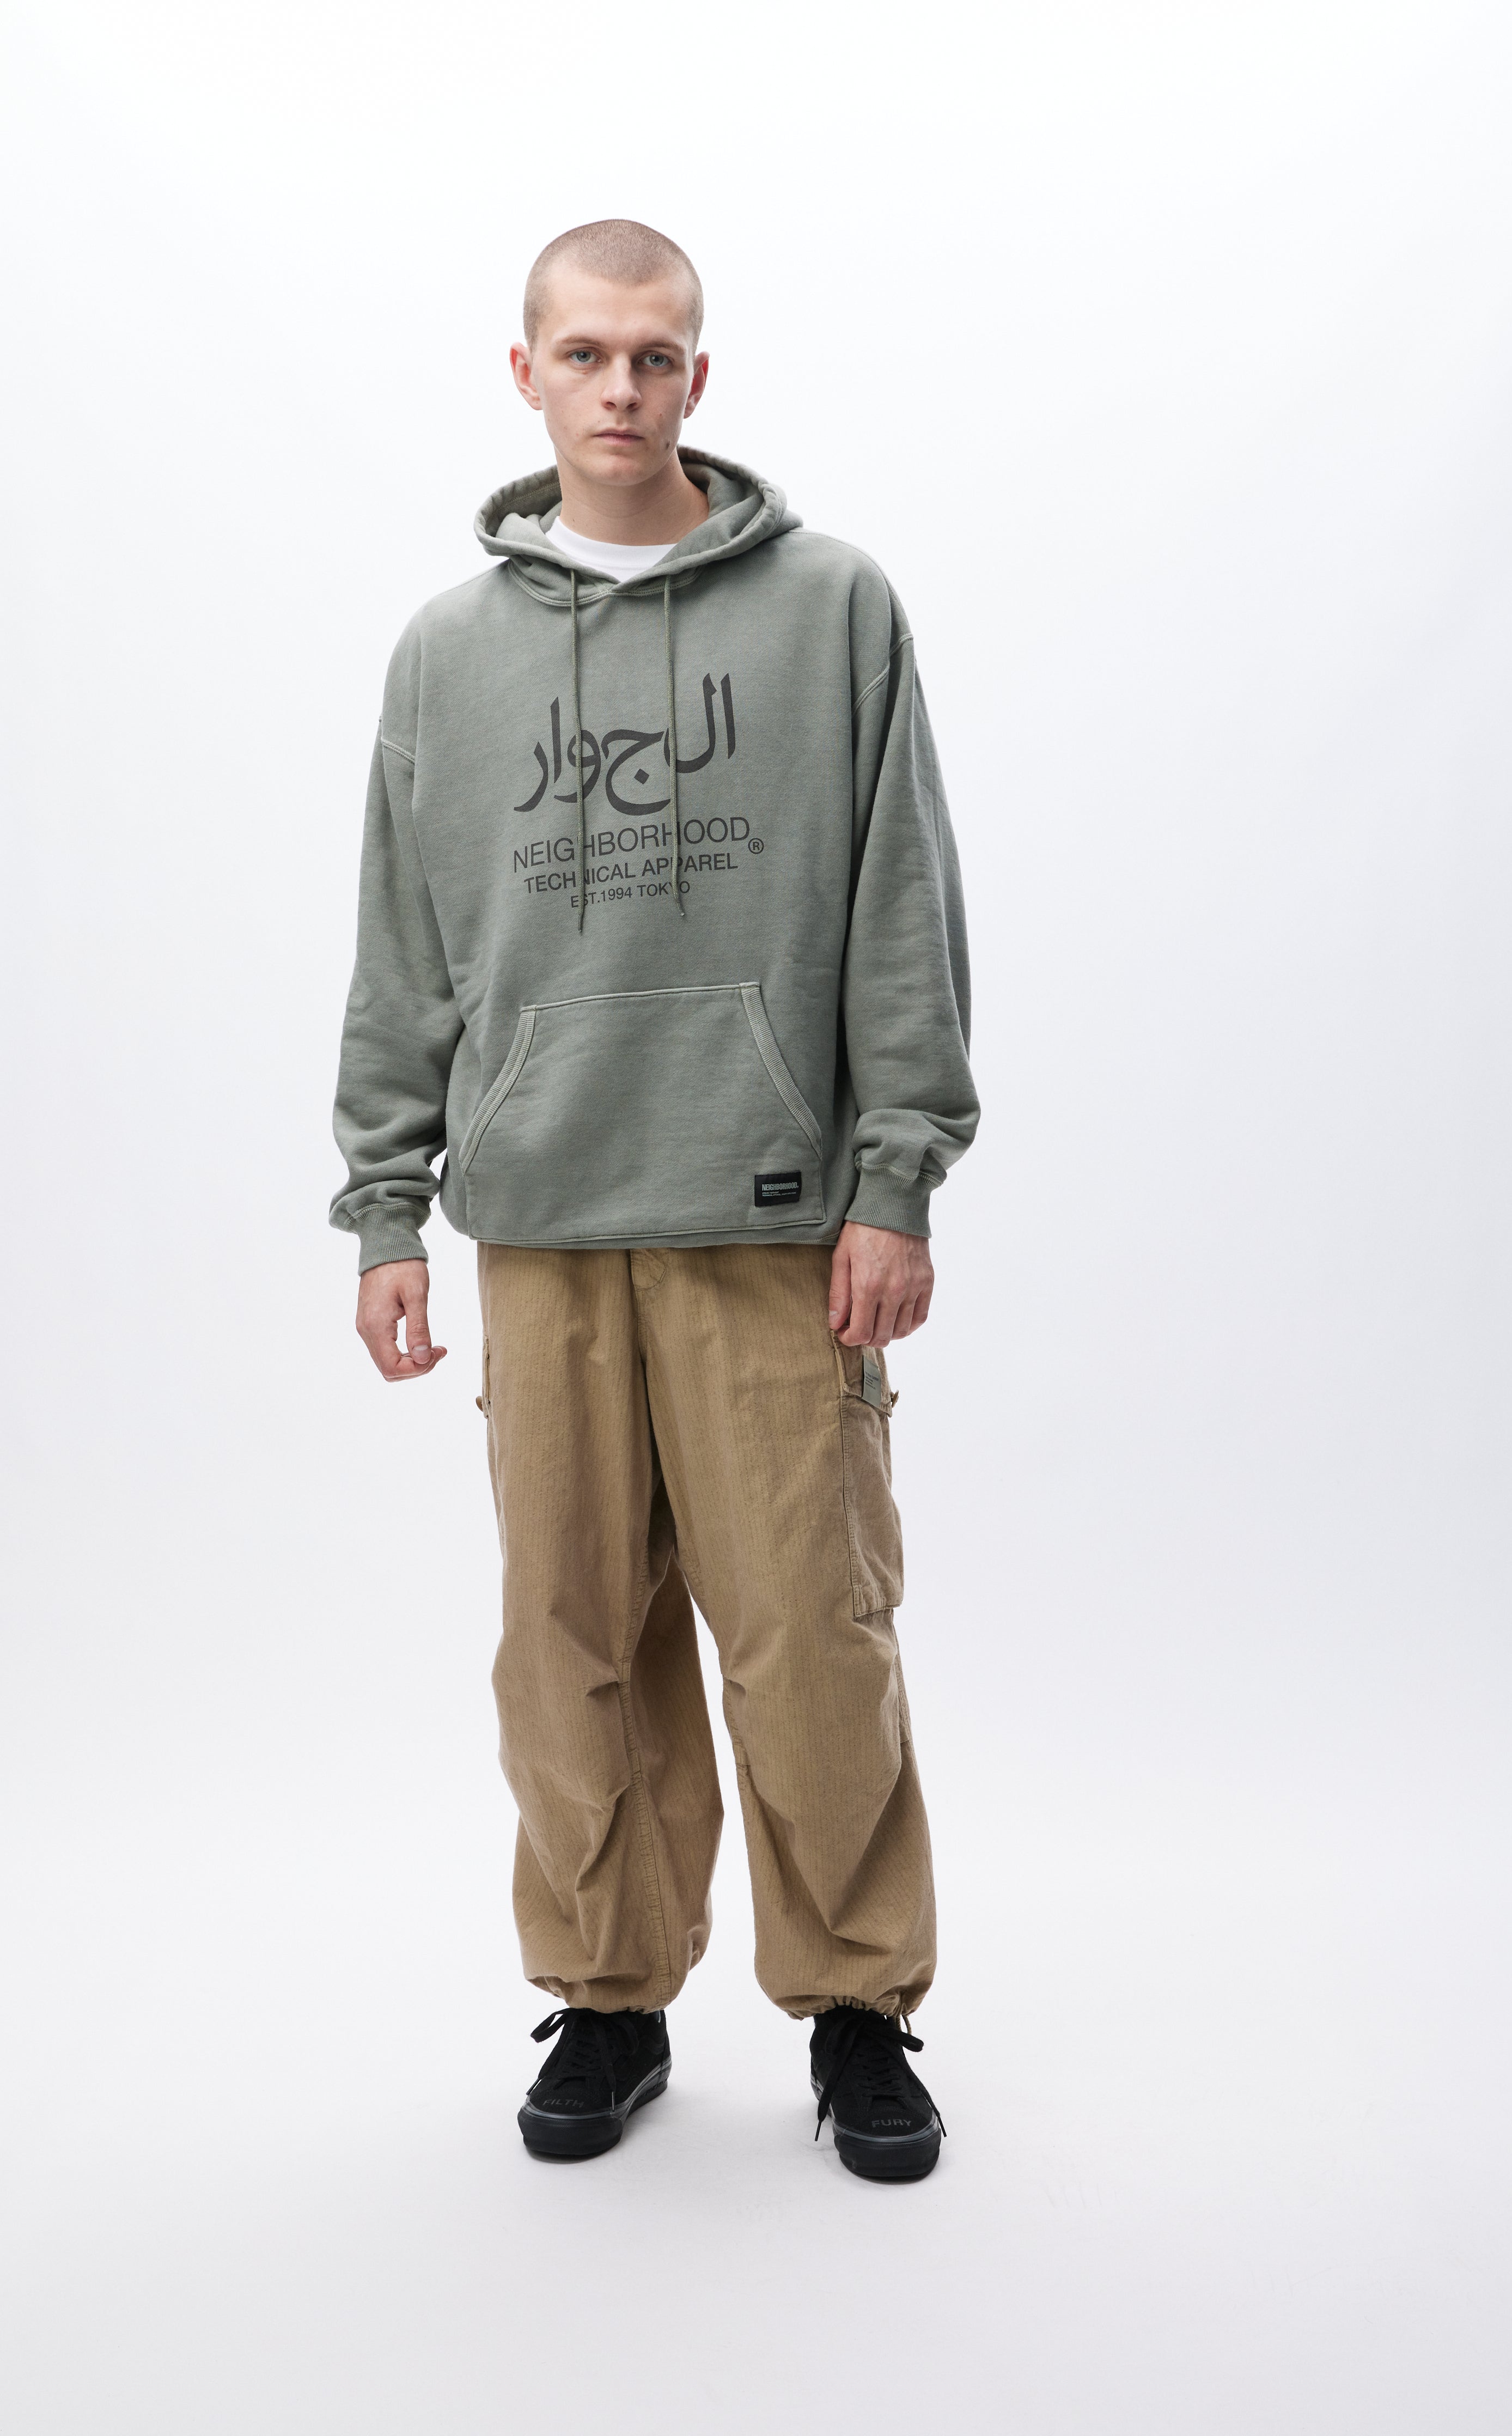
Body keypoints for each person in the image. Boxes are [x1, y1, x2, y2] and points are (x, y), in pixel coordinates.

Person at [330, 220, 979, 2182]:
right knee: (570, 1642)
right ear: (524, 371)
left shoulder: (832, 608)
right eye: (587, 353)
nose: (622, 387)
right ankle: (608, 1995)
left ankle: (856, 2004)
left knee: (810, 1634)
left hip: (773, 1218)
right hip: (542, 1226)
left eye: (657, 356)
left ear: (701, 374)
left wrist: (894, 1177)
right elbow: (403, 950)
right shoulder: (448, 654)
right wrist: (385, 1207)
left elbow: (899, 911)